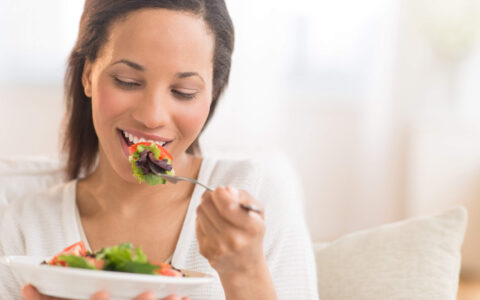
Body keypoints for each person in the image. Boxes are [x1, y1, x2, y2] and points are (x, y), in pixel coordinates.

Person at [0, 0, 319, 299]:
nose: (152, 116)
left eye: (183, 92)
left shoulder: (257, 194)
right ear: (88, 75)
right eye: (126, 81)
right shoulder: (25, 224)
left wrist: (245, 272)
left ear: (211, 95)